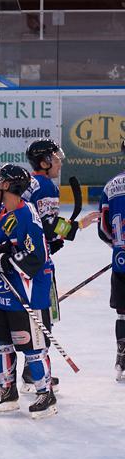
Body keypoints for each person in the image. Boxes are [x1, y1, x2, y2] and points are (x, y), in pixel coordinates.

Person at [0, 138, 99, 392]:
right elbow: (45, 226)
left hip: (11, 256)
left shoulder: (27, 185)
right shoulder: (45, 185)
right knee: (40, 313)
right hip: (29, 263)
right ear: (44, 162)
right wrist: (75, 227)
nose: (59, 162)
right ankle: (33, 373)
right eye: (56, 158)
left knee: (2, 315)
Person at [0, 164, 57, 419]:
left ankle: (45, 393)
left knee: (33, 346)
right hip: (1, 291)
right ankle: (7, 390)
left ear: (7, 186)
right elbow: (1, 244)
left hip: (27, 293)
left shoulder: (27, 216)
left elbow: (36, 257)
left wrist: (3, 260)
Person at [98, 140, 125, 382]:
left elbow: (104, 229)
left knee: (123, 313)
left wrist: (119, 247)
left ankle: (123, 357)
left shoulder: (111, 185)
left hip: (121, 261)